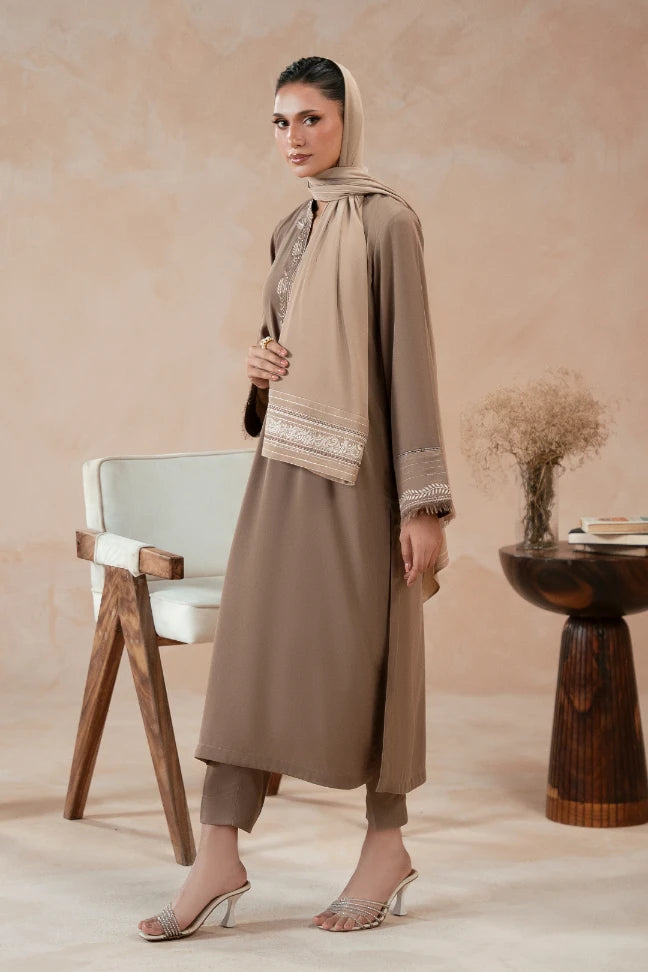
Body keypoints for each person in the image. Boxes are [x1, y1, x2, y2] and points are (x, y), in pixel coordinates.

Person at [138, 55, 455, 941]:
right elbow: (288, 347)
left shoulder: (389, 222)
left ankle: (385, 847)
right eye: (281, 122)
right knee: (249, 653)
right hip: (285, 466)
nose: (294, 138)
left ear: (348, 119)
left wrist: (423, 503)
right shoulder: (293, 226)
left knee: (378, 653)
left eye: (312, 118)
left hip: (366, 479)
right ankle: (218, 854)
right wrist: (259, 367)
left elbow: (409, 361)